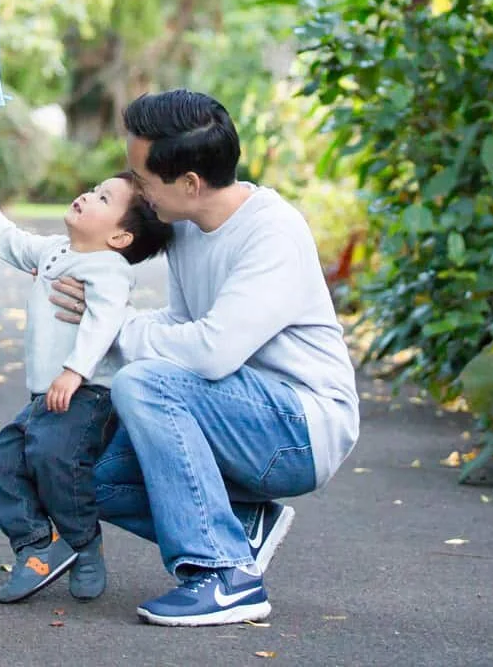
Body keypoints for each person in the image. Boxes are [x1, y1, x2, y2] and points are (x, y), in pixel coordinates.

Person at [51, 89, 359, 628]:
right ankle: (241, 526)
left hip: (301, 428)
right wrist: (103, 322)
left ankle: (225, 574)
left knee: (144, 384)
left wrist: (116, 330)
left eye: (143, 180)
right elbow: (179, 325)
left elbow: (211, 351)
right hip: (233, 415)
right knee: (83, 481)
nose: (138, 192)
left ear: (190, 183)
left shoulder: (271, 232)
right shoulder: (190, 227)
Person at [0, 158, 171, 605]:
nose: (87, 195)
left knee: (54, 459)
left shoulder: (109, 269)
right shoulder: (53, 251)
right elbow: (9, 240)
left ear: (120, 237)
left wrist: (75, 370)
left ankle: (84, 546)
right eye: (93, 188)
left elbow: (105, 322)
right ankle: (37, 549)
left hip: (87, 393)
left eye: (104, 198)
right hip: (47, 395)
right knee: (5, 462)